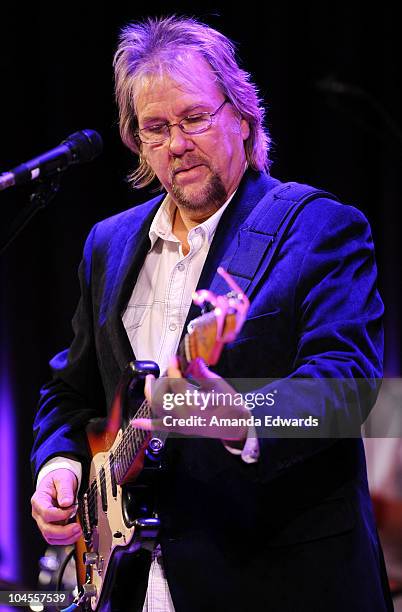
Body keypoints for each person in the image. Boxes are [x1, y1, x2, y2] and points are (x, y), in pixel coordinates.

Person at [31, 15, 393, 612]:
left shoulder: (316, 226)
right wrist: (60, 465)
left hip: (284, 582)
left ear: (243, 117)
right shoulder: (108, 244)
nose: (177, 143)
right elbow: (69, 391)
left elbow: (350, 387)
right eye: (155, 127)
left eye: (195, 118)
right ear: (136, 142)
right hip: (139, 585)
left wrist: (242, 416)